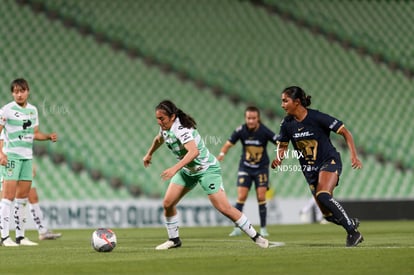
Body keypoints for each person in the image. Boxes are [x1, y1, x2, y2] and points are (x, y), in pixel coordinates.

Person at [143, 100, 270, 250]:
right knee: (168, 204)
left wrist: (174, 168)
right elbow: (159, 139)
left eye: (161, 119)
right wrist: (149, 154)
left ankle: (257, 237)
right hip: (188, 171)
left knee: (224, 208)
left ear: (172, 117)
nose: (159, 122)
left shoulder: (182, 129)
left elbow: (194, 152)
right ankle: (174, 240)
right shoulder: (165, 127)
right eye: (157, 119)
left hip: (207, 169)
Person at [271, 86, 363, 247]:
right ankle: (348, 221)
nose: (282, 105)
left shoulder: (317, 117)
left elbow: (345, 132)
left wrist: (354, 155)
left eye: (285, 101)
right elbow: (283, 144)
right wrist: (279, 158)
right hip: (309, 170)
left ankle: (353, 233)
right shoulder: (287, 123)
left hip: (329, 161)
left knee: (323, 194)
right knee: (327, 215)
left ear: (297, 102)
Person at [0, 78, 57, 247]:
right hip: (11, 157)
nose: (19, 94)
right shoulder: (6, 110)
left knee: (22, 197)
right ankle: (4, 237)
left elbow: (35, 133)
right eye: (16, 91)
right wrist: (1, 153)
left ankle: (20, 236)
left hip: (27, 157)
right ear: (12, 93)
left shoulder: (33, 111)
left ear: (27, 91)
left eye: (22, 91)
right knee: (7, 197)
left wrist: (47, 136)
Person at [217, 106, 277, 237]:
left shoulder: (264, 131)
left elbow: (278, 141)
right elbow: (228, 144)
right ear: (245, 118)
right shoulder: (241, 130)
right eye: (248, 118)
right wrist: (222, 154)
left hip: (261, 168)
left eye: (253, 118)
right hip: (245, 167)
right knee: (241, 197)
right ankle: (237, 228)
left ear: (258, 118)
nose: (251, 121)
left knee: (261, 197)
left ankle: (263, 228)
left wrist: (280, 155)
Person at [0, 134, 62, 241]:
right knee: (5, 197)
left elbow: (25, 143)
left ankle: (42, 230)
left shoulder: (22, 122)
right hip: (8, 160)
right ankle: (4, 235)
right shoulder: (5, 121)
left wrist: (30, 163)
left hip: (23, 161)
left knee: (32, 196)